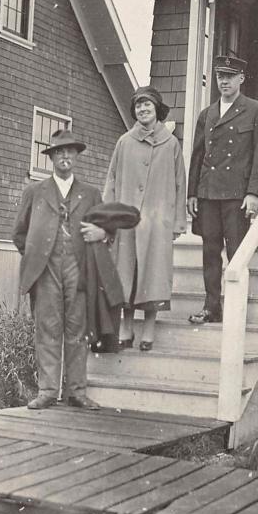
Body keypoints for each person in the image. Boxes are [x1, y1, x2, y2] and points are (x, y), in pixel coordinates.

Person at [12, 129, 108, 410]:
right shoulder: (35, 191)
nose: (65, 156)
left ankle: (77, 392)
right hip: (46, 270)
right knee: (48, 329)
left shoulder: (91, 194)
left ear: (76, 155)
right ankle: (48, 391)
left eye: (70, 151)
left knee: (77, 330)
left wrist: (100, 234)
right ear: (51, 157)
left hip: (78, 269)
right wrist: (38, 256)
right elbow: (19, 233)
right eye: (59, 152)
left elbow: (104, 231)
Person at [187, 56, 258, 324]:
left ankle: (236, 308)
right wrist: (192, 193)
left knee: (236, 251)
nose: (224, 81)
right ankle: (211, 307)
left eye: (230, 76)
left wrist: (254, 193)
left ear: (241, 79)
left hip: (237, 195)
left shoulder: (256, 110)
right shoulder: (207, 114)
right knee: (210, 251)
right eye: (220, 76)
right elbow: (197, 156)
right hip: (208, 194)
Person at [104, 86, 187, 351]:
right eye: (138, 106)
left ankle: (149, 329)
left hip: (157, 222)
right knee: (126, 274)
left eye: (147, 105)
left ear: (157, 109)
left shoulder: (171, 144)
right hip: (126, 220)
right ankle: (126, 329)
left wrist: (176, 222)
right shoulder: (124, 142)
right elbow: (112, 180)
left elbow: (179, 184)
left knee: (154, 275)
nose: (142, 110)